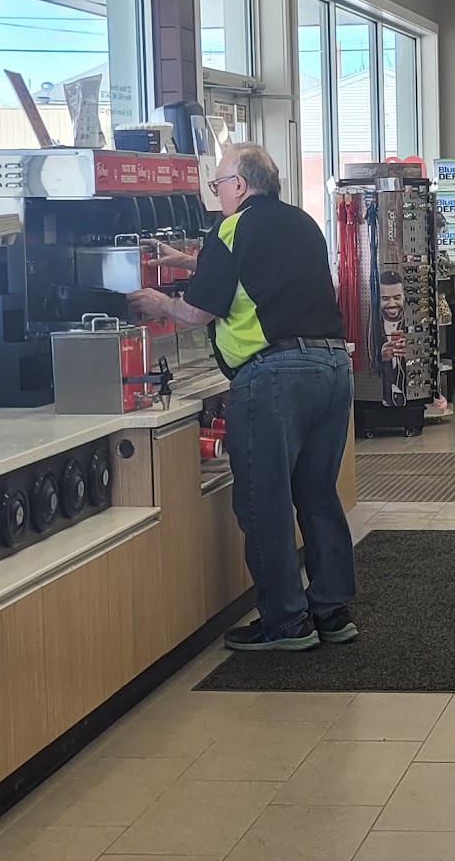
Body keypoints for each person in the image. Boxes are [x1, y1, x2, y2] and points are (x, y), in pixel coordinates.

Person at [129, 143, 357, 652]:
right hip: (332, 368)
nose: (217, 194)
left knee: (264, 501)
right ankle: (333, 610)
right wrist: (192, 259)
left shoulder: (231, 229)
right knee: (317, 494)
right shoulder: (302, 223)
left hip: (276, 377)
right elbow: (259, 270)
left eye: (218, 184)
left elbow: (197, 313)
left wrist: (159, 302)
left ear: (239, 184)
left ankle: (286, 623)